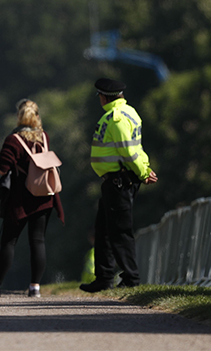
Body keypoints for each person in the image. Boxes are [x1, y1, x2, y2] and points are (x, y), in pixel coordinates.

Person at [0, 99, 64, 298]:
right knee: (38, 241)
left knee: (9, 242)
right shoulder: (44, 137)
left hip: (20, 199)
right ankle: (35, 287)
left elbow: (2, 169)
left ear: (19, 117)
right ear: (37, 117)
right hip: (44, 196)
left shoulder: (13, 140)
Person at [80, 78, 158, 292]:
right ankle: (104, 277)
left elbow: (128, 151)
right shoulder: (130, 112)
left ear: (104, 97)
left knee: (120, 231)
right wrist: (145, 168)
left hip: (119, 181)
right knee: (104, 230)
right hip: (114, 181)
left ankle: (131, 278)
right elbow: (137, 147)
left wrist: (143, 172)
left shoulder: (116, 118)